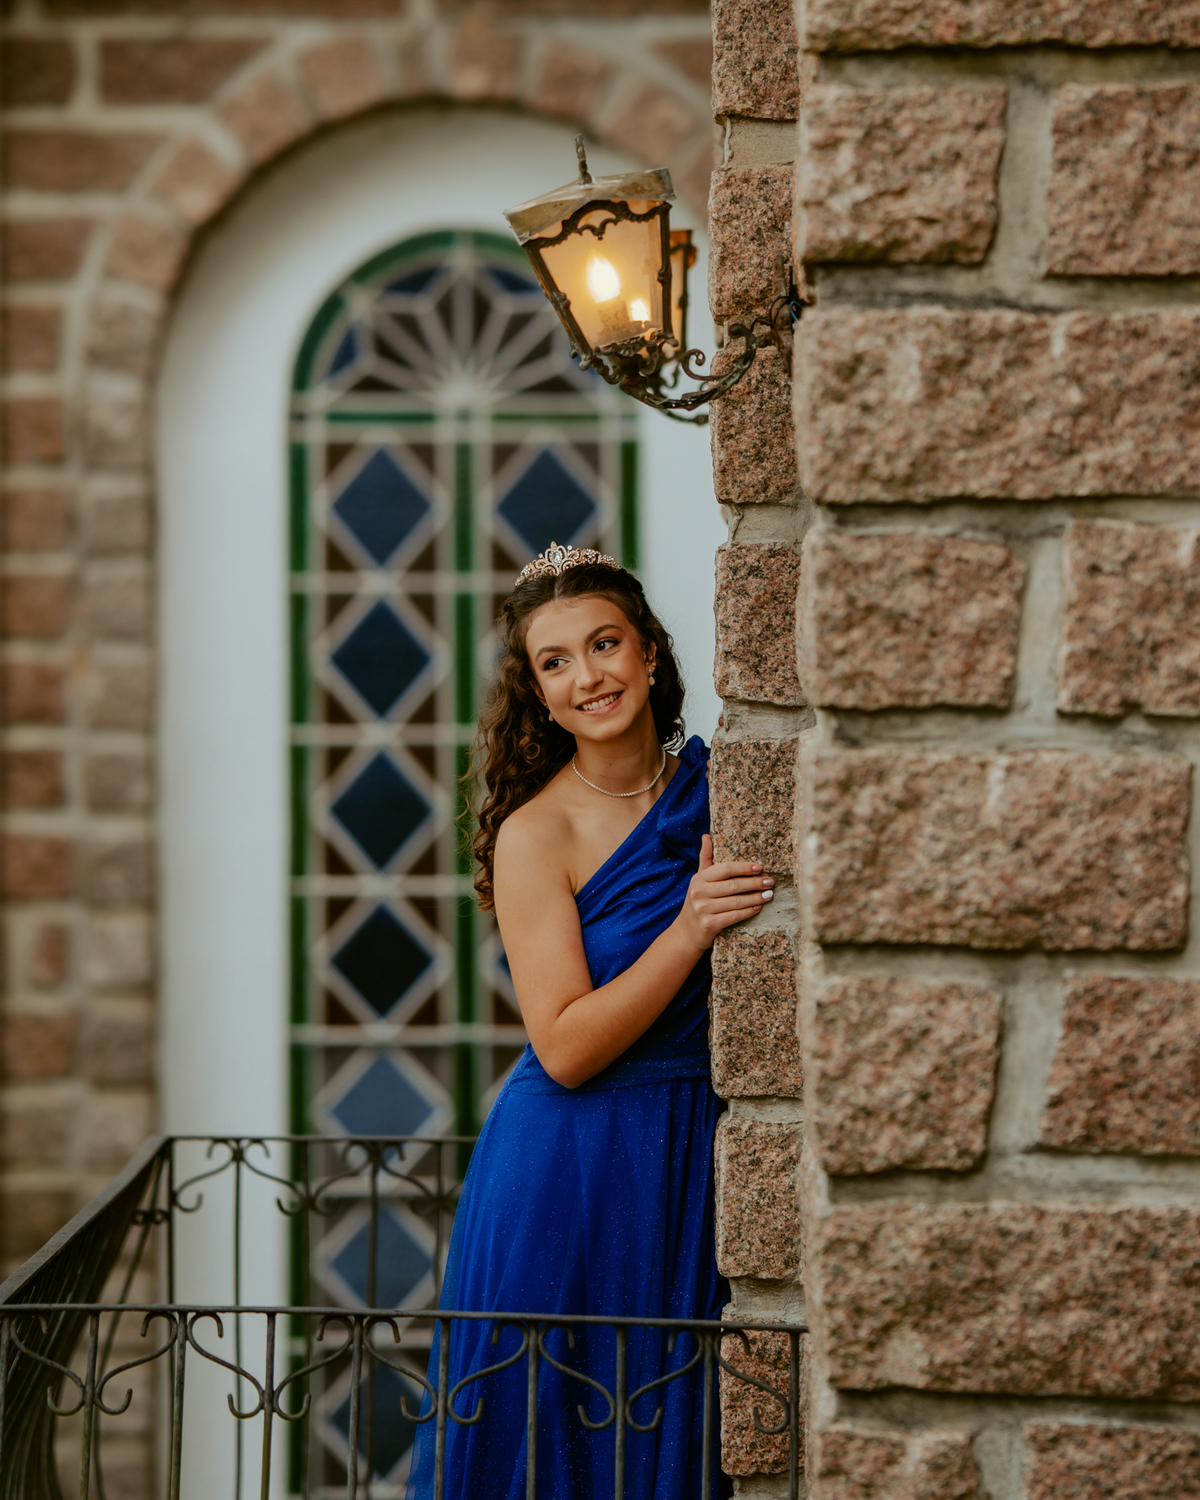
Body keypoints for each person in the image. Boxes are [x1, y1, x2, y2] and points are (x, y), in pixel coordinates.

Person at [404, 543, 773, 1498]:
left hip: (691, 1149)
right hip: (569, 1169)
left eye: (603, 644)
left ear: (649, 651)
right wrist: (689, 928)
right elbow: (562, 1047)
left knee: (676, 1438)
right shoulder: (538, 832)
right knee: (558, 1446)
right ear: (537, 692)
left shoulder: (726, 791)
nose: (586, 677)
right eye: (554, 662)